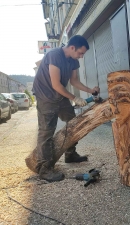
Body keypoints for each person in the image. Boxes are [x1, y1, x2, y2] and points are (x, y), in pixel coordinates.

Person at [32, 35, 100, 182]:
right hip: (45, 96)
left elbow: (74, 80)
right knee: (46, 132)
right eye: (80, 53)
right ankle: (44, 169)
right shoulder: (54, 55)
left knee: (73, 123)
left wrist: (90, 91)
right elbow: (56, 85)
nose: (81, 57)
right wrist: (74, 98)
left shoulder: (73, 61)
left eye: (83, 54)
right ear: (72, 47)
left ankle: (70, 154)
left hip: (60, 96)